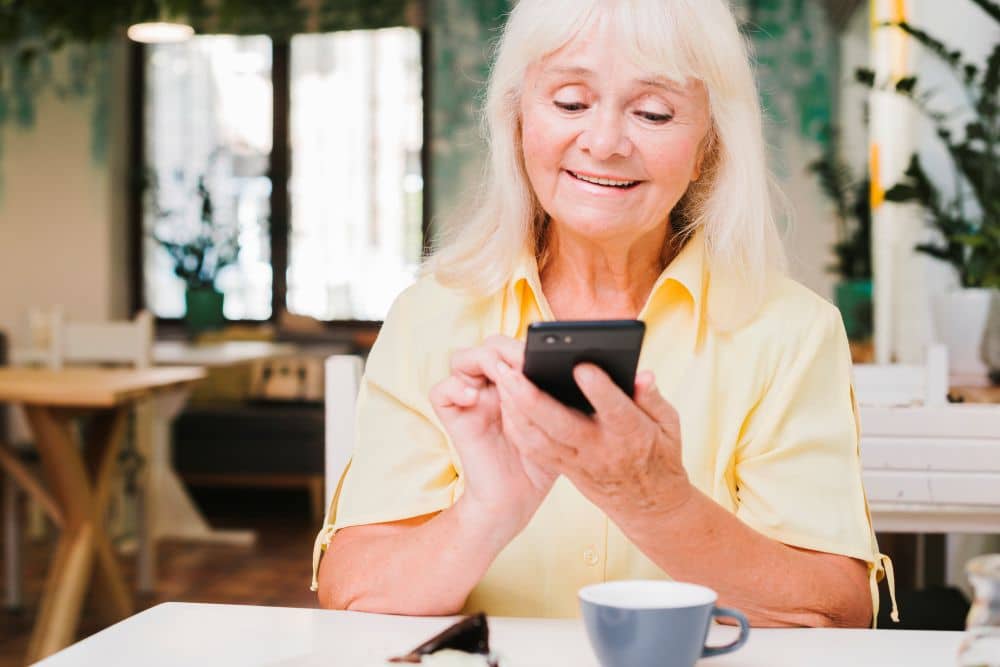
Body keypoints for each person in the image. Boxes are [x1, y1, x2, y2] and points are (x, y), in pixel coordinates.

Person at [311, 0, 896, 627]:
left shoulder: (791, 332)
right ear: (517, 121)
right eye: (569, 103)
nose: (605, 143)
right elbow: (353, 596)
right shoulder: (430, 316)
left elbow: (832, 614)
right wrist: (486, 509)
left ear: (707, 146)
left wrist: (656, 501)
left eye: (653, 113)